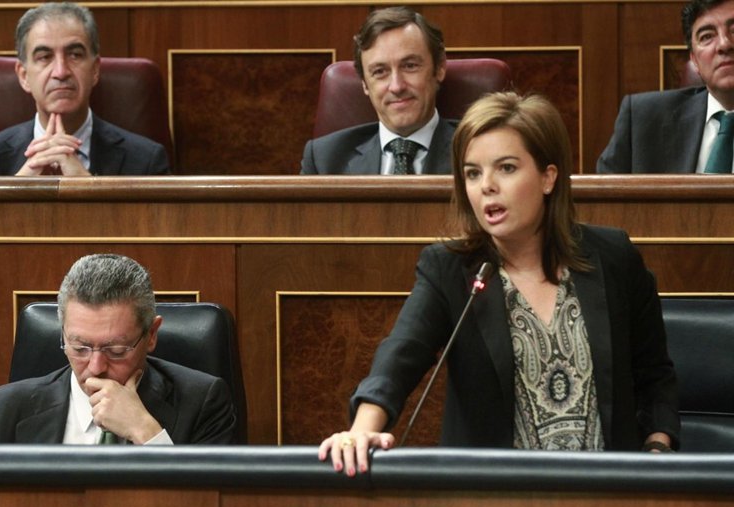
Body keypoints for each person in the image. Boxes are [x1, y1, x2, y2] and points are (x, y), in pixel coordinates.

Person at [320, 92, 680, 476]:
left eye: (506, 168)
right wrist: (361, 430)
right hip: (492, 495)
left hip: (607, 492)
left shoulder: (613, 258)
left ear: (548, 177)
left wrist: (658, 449)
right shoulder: (451, 270)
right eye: (472, 173)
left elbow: (654, 375)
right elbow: (399, 357)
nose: (486, 186)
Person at [0, 254, 236, 444]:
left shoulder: (204, 404)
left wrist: (146, 433)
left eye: (116, 350)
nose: (95, 367)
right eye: (80, 347)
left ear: (151, 335)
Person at [0, 2, 170, 176]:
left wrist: (89, 189)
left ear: (95, 70)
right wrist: (17, 190)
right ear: (24, 76)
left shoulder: (147, 162)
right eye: (44, 57)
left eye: (75, 55)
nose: (60, 71)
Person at [300, 6, 456, 175]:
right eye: (380, 71)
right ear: (365, 84)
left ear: (439, 68)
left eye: (410, 66)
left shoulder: (473, 149)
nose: (397, 86)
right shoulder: (323, 160)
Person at [597, 0, 734, 173]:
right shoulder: (643, 120)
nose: (724, 44)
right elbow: (604, 189)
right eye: (707, 36)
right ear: (694, 60)